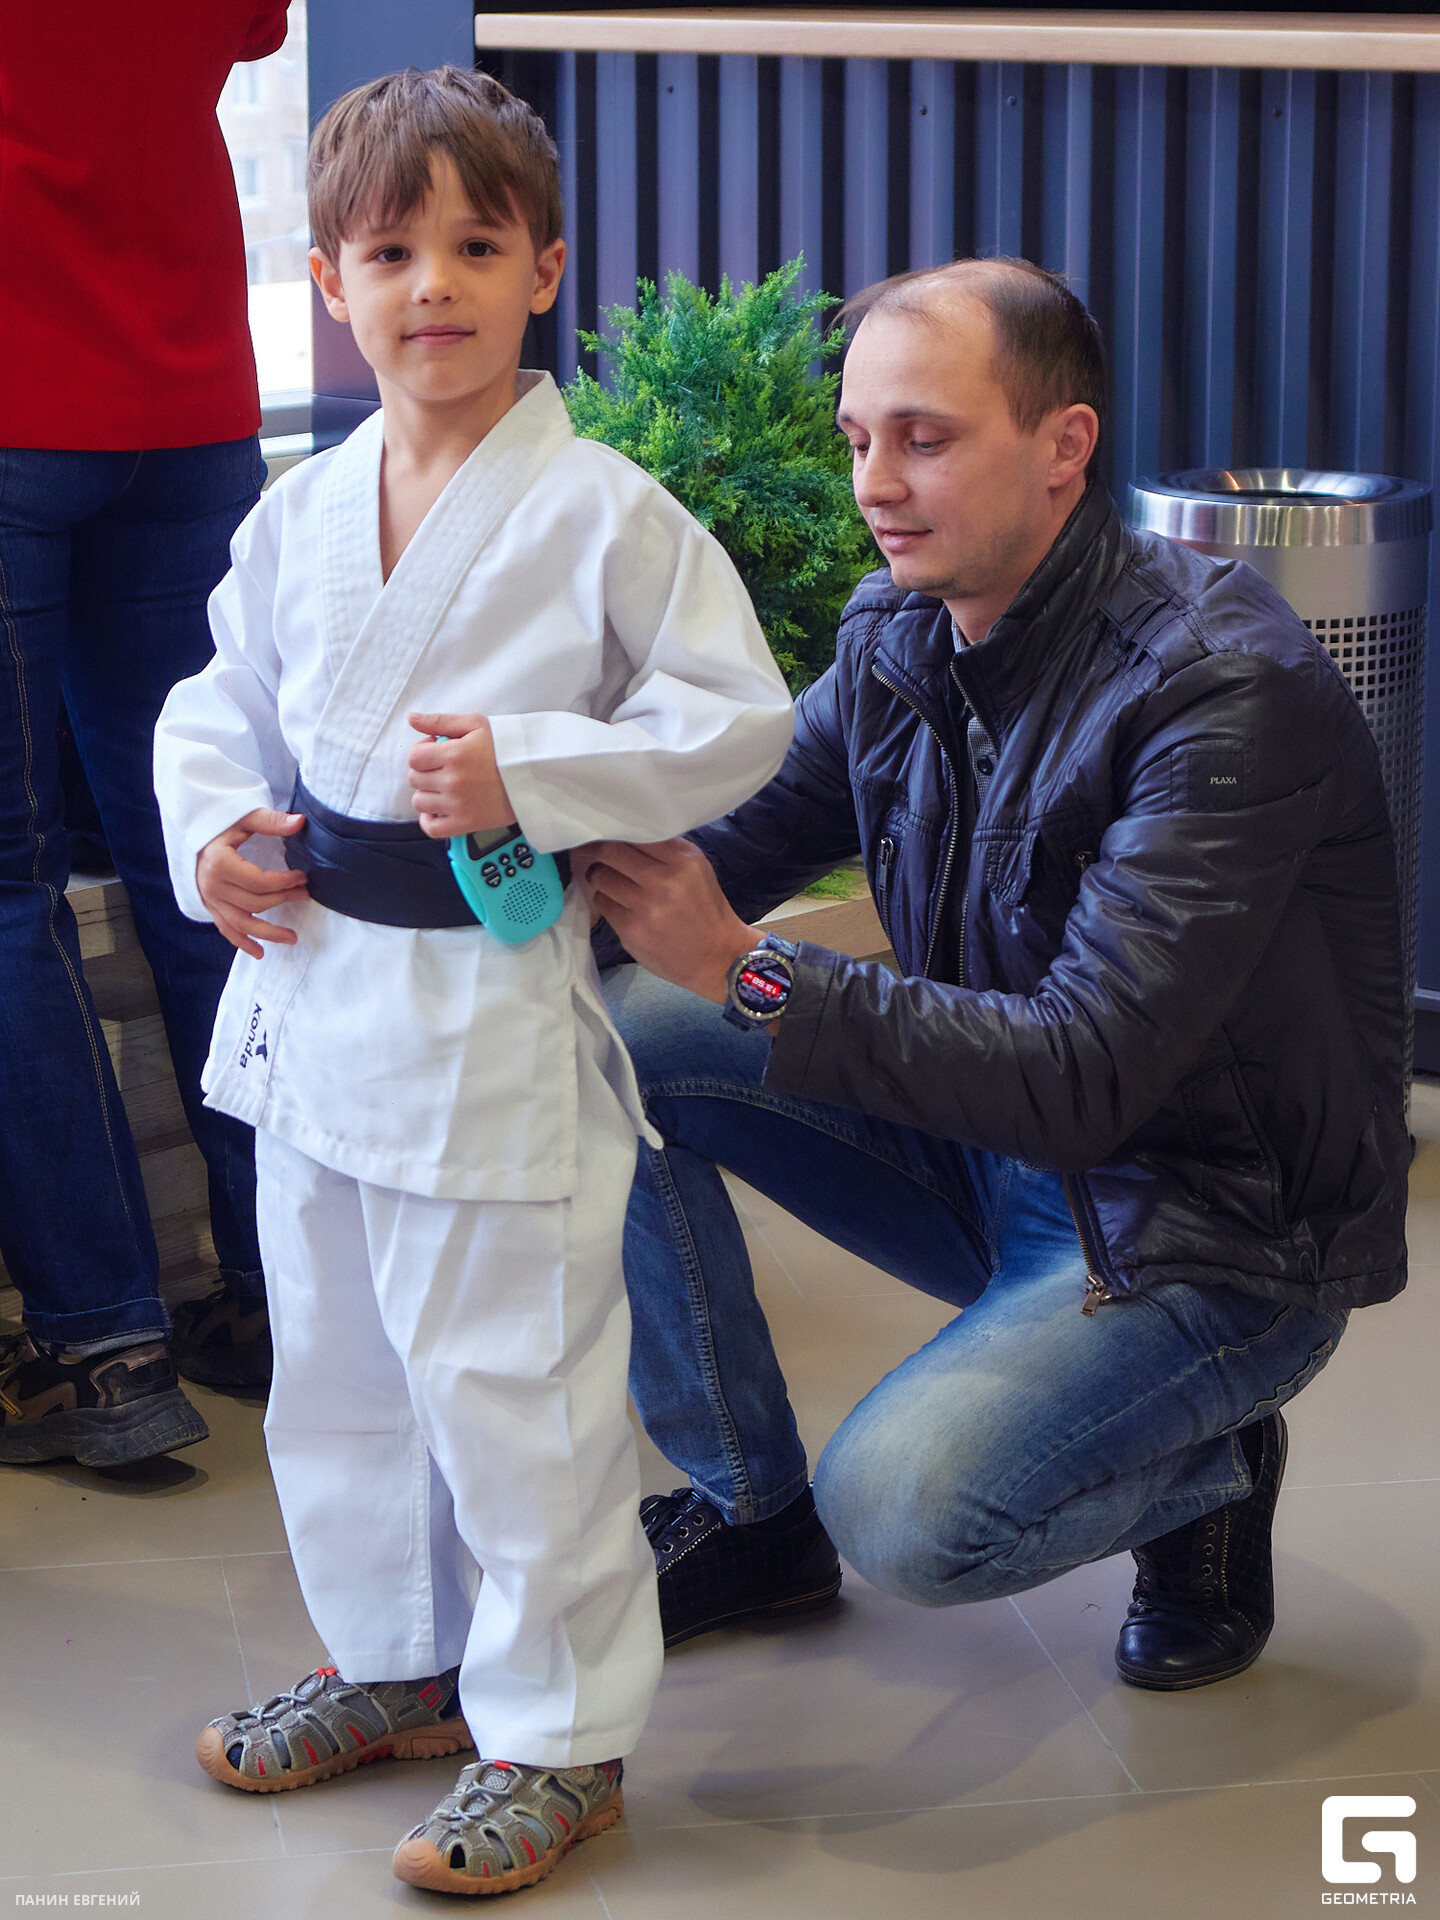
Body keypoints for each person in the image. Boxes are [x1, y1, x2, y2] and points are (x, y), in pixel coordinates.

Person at [579, 257, 1409, 1693]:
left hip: (1203, 1229)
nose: (874, 484)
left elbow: (1085, 1074)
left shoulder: (1220, 688)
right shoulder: (898, 635)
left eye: (925, 438)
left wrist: (746, 969)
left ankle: (1209, 1463)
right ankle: (748, 1515)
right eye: (858, 438)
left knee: (907, 1515)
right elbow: (719, 847)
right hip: (993, 1155)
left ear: (1063, 445)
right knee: (618, 1031)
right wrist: (416, 883)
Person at [154, 67, 792, 1898]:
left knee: (514, 1392)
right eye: (389, 252)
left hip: (486, 1007)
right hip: (316, 994)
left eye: (475, 246)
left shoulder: (601, 512)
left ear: (544, 272)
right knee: (337, 1372)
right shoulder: (299, 509)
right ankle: (398, 1664)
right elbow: (220, 697)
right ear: (330, 284)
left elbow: (736, 718)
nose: (431, 283)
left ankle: (562, 1737)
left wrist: (535, 769)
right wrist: (215, 831)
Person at [0, 2, 295, 1468]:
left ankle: (101, 1350)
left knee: (6, 894)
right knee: (205, 850)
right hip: (183, 399)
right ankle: (280, 1292)